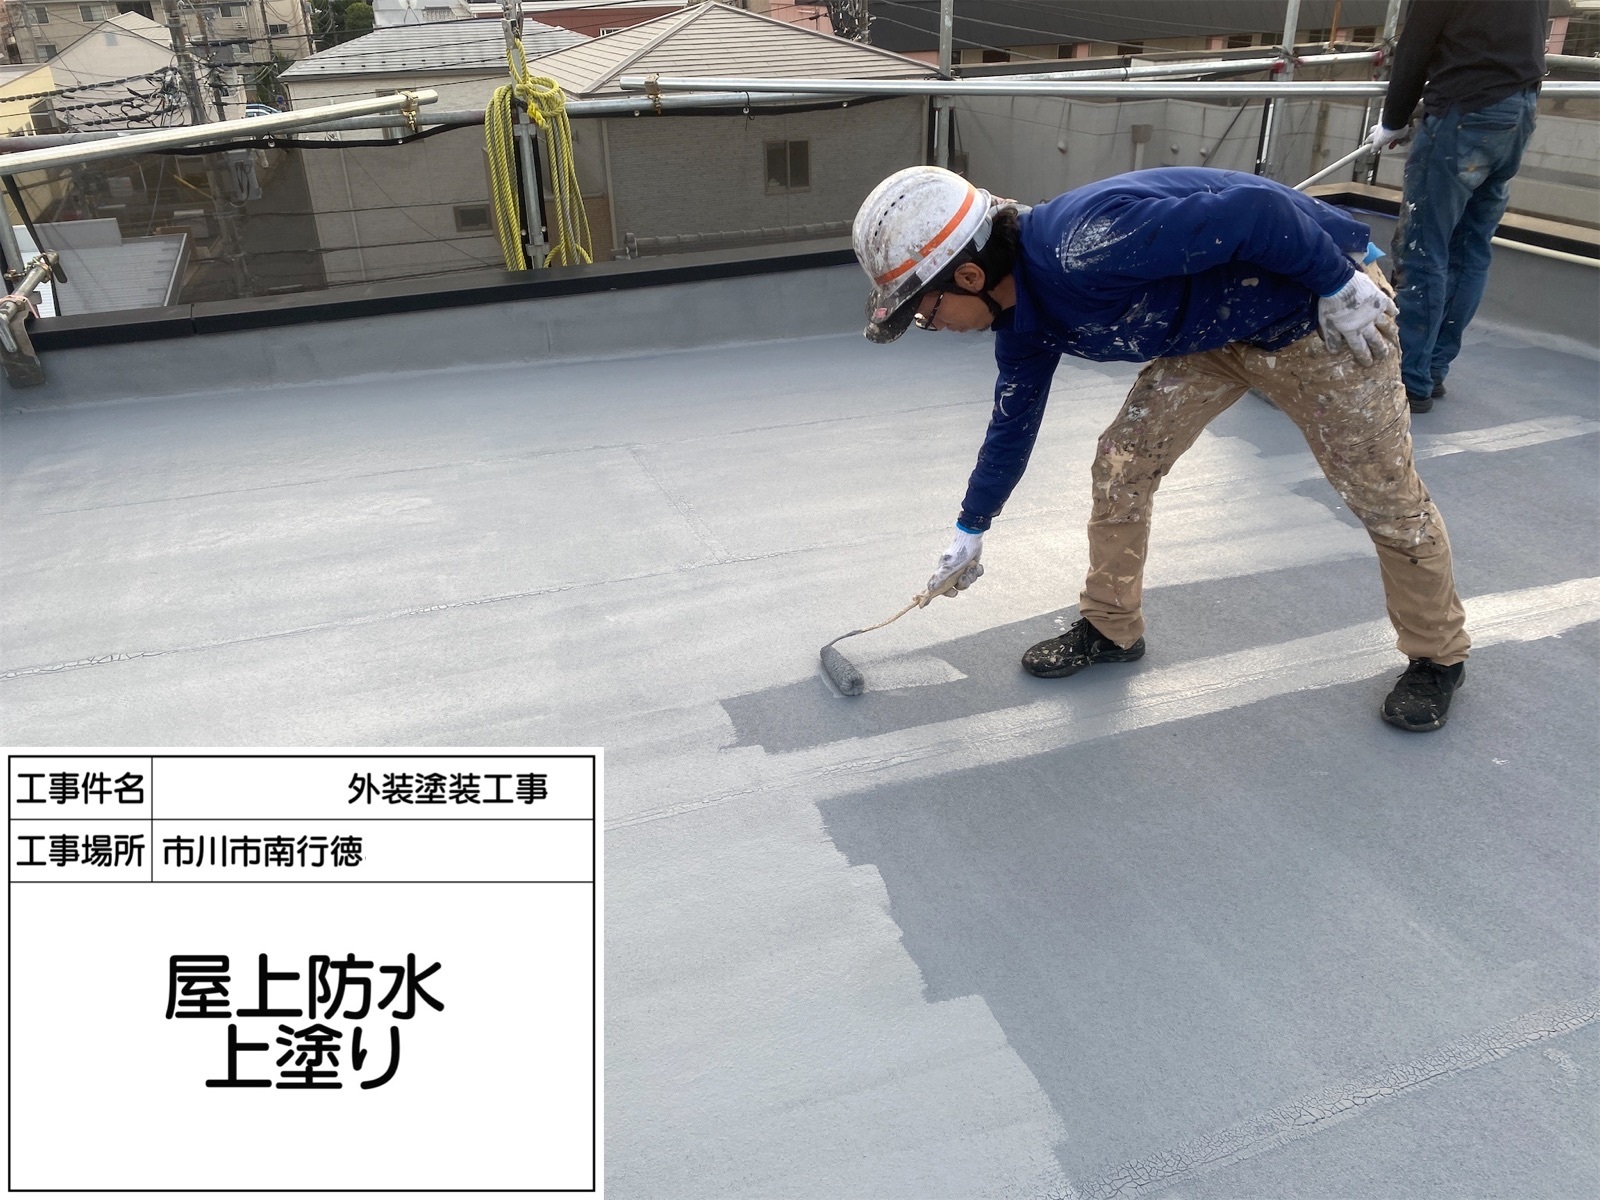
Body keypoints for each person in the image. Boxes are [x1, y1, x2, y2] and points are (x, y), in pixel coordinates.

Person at [851, 165, 1471, 731]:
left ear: (969, 276)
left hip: (1318, 311)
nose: (932, 327)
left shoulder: (1083, 249)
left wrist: (1339, 282)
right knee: (1122, 464)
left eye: (925, 313)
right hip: (1216, 334)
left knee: (1384, 495)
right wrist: (971, 527)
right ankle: (1111, 626)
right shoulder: (1023, 317)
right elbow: (1012, 424)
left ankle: (1437, 656)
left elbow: (1258, 212)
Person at [1370, 0, 1548, 413]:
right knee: (1470, 249)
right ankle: (1433, 369)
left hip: (1465, 113)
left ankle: (1409, 378)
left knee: (1423, 249)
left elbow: (1415, 46)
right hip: (1517, 109)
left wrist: (1394, 119)